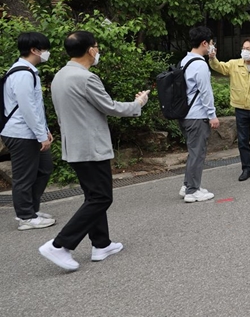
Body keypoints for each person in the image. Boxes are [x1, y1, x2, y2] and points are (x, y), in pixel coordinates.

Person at [39, 31, 150, 271]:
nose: (98, 51)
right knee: (102, 197)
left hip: (74, 147)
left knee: (93, 196)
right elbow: (109, 107)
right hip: (91, 147)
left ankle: (102, 244)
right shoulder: (86, 78)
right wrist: (138, 103)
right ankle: (60, 245)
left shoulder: (59, 76)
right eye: (97, 47)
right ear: (90, 50)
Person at [1, 32, 55, 231]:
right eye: (45, 49)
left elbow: (35, 107)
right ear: (34, 50)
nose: (47, 53)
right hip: (20, 133)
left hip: (29, 132)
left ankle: (32, 209)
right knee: (25, 176)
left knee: (44, 168)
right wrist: (41, 135)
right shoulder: (23, 74)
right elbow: (27, 108)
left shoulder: (28, 71)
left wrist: (45, 131)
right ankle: (25, 216)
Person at [209, 37, 250, 181]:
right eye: (243, 48)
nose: (244, 51)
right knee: (243, 141)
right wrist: (213, 58)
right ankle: (246, 169)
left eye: (248, 49)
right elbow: (219, 67)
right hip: (241, 109)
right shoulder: (234, 64)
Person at [177, 26, 220, 203]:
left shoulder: (185, 61)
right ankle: (192, 191)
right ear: (204, 43)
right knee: (198, 153)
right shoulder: (200, 65)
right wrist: (212, 115)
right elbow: (205, 93)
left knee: (193, 152)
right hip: (197, 116)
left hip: (185, 115)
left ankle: (188, 184)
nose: (211, 46)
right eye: (210, 43)